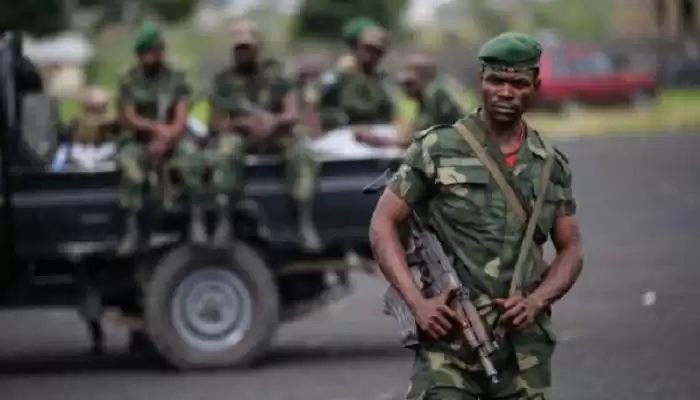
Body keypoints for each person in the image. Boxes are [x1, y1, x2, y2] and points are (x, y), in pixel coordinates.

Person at [369, 32, 584, 400]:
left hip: (523, 353)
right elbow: (383, 223)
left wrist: (536, 301)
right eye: (495, 81)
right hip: (449, 347)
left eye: (518, 83)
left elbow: (571, 248)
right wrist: (417, 303)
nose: (505, 92)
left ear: (535, 86)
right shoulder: (438, 148)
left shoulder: (550, 164)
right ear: (481, 80)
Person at [206, 20, 322, 252]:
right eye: (239, 48)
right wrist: (240, 124)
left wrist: (272, 123)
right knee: (225, 150)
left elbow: (292, 112)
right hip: (242, 135)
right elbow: (215, 124)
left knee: (303, 153)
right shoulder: (224, 80)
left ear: (257, 47)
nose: (244, 53)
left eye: (248, 47)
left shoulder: (275, 74)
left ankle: (304, 220)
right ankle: (224, 220)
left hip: (274, 133)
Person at [117, 22, 207, 255]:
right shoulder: (130, 80)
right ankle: (133, 227)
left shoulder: (175, 78)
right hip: (140, 138)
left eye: (156, 50)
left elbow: (181, 116)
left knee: (192, 158)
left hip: (173, 136)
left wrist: (168, 137)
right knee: (130, 164)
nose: (152, 56)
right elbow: (130, 116)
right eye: (147, 51)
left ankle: (196, 219)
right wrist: (155, 129)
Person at [315, 25, 397, 145]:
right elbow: (313, 101)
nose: (371, 55)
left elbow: (389, 112)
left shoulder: (383, 81)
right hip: (340, 132)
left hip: (373, 133)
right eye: (367, 48)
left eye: (377, 51)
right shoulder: (339, 75)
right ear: (358, 47)